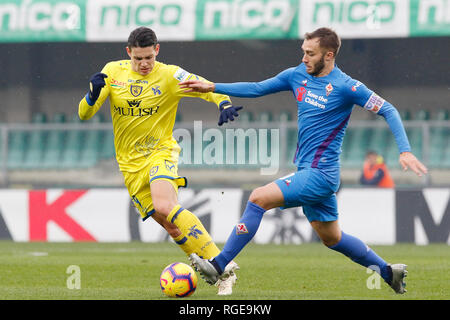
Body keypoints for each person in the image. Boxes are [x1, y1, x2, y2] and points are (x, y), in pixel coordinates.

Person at [180, 27, 428, 294]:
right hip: (308, 171)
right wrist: (214, 87)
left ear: (329, 55)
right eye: (303, 52)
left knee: (257, 198)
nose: (304, 58)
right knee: (332, 238)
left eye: (310, 54)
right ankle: (389, 271)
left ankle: (218, 265)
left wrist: (405, 150)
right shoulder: (297, 75)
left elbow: (388, 109)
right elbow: (256, 88)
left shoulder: (347, 87)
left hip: (321, 174)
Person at [78, 27, 243, 295]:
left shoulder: (169, 75)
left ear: (157, 50)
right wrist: (92, 95)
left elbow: (205, 87)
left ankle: (221, 264)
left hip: (160, 152)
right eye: (138, 58)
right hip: (129, 165)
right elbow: (84, 114)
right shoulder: (113, 72)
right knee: (168, 223)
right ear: (128, 52)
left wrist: (223, 103)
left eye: (148, 58)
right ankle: (205, 264)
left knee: (165, 205)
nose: (144, 64)